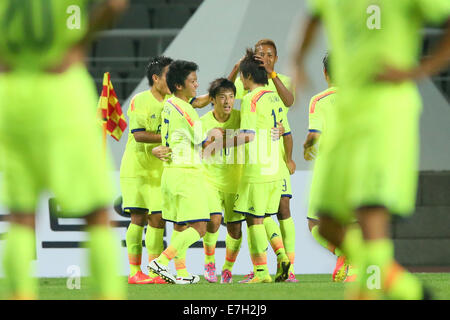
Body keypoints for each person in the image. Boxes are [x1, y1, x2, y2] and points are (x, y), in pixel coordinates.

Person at [295, 0, 450, 299]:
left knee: (370, 216)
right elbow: (312, 16)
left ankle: (371, 286)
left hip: (385, 112)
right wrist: (296, 61)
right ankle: (408, 290)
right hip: (346, 121)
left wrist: (418, 71)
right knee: (324, 224)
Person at [0, 0, 129, 299]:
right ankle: (109, 293)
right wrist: (79, 43)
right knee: (96, 213)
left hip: (11, 93)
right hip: (61, 91)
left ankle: (21, 292)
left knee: (21, 215)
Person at [217, 49, 291, 283]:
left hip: (257, 169)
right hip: (275, 169)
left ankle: (261, 273)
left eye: (241, 76)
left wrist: (221, 143)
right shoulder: (273, 97)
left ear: (247, 76)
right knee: (267, 216)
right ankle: (282, 255)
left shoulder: (251, 99)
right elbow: (280, 129)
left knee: (253, 219)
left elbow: (248, 136)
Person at [148, 60, 223, 284]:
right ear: (179, 85)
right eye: (192, 81)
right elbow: (203, 142)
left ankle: (181, 273)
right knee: (200, 227)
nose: (196, 85)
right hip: (187, 173)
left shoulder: (169, 105)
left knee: (181, 225)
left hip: (171, 172)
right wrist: (219, 135)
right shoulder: (188, 111)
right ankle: (161, 261)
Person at [304, 53, 358, 282]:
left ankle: (343, 254)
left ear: (325, 73)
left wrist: (308, 147)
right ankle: (353, 266)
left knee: (314, 223)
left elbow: (314, 133)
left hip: (328, 167)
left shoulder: (318, 100)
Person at [120, 56, 173, 284]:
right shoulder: (140, 100)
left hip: (160, 172)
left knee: (158, 219)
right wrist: (170, 137)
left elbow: (200, 101)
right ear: (156, 78)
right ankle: (134, 272)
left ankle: (153, 271)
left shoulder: (173, 101)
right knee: (138, 218)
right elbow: (138, 134)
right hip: (137, 169)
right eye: (169, 76)